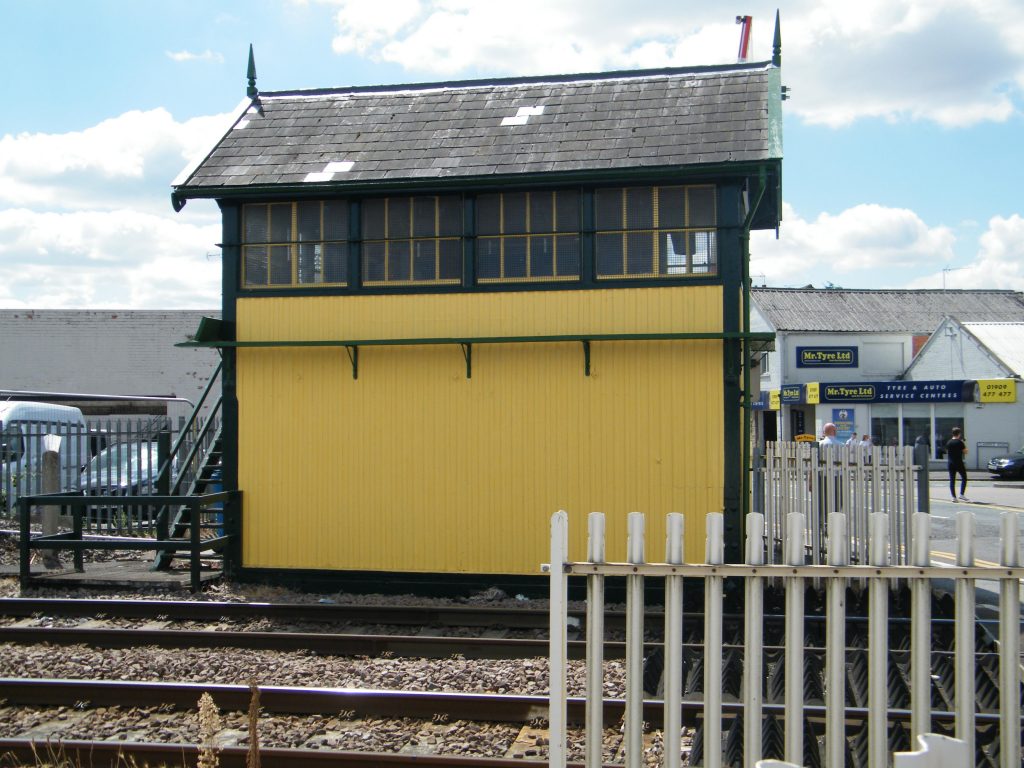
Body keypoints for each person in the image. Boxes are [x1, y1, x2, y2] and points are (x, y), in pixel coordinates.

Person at [945, 427, 969, 502]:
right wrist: (963, 444)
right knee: (964, 478)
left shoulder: (948, 442)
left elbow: (947, 451)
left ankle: (953, 497)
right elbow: (965, 452)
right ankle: (961, 494)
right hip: (959, 462)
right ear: (959, 434)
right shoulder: (960, 442)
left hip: (950, 463)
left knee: (952, 480)